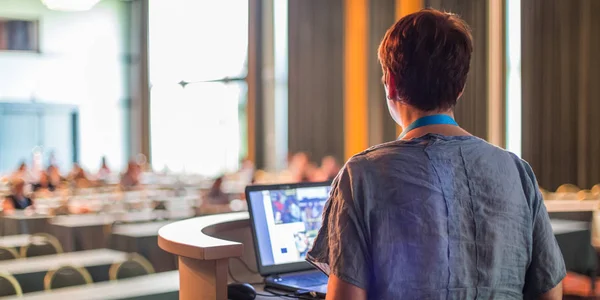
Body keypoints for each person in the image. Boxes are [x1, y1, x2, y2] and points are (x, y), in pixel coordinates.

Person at [307, 9, 564, 300]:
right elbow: (550, 293)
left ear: (390, 83)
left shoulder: (361, 176)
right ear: (461, 87)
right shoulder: (518, 172)